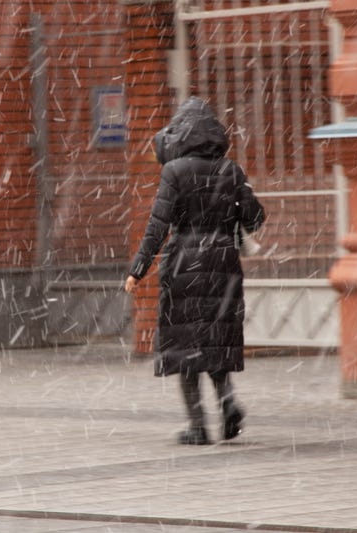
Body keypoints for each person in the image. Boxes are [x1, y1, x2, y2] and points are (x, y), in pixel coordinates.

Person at [125, 97, 266, 445]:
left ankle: (198, 426)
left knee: (185, 346)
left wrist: (137, 269)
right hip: (223, 262)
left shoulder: (174, 171)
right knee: (215, 340)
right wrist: (235, 200)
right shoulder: (230, 170)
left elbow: (157, 226)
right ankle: (228, 404)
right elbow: (256, 218)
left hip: (184, 262)